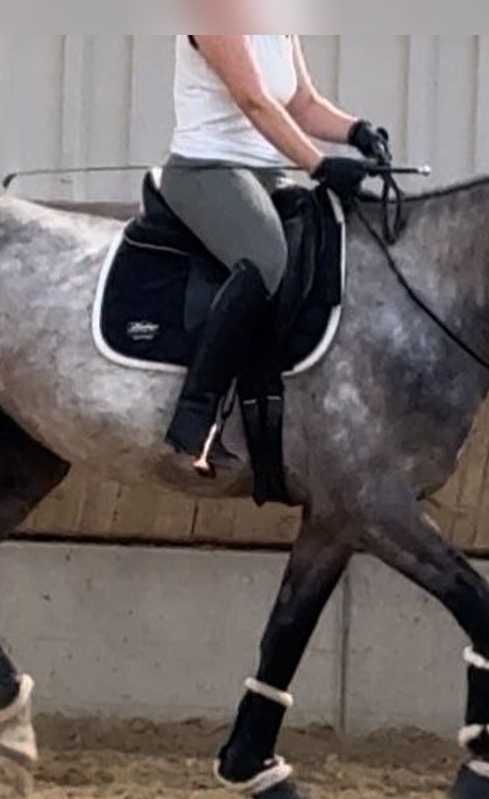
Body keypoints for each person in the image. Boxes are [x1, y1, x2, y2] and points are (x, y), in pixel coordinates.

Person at [159, 34, 392, 474]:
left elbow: (302, 103)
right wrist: (319, 165)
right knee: (266, 258)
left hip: (267, 176)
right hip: (207, 171)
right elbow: (255, 100)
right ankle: (196, 419)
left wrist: (357, 131)